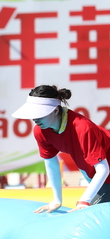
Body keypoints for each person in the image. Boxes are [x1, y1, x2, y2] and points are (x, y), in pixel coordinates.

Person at [12, 85, 110, 213]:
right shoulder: (40, 131)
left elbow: (103, 169)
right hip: (96, 176)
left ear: (56, 110)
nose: (35, 119)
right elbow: (51, 163)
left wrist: (84, 201)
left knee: (89, 213)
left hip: (104, 174)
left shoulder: (82, 128)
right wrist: (57, 200)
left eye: (40, 114)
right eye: (33, 114)